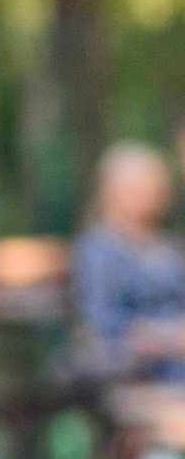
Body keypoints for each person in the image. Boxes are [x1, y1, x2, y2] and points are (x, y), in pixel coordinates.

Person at [68, 143, 185, 383]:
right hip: (140, 371)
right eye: (137, 188)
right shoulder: (99, 249)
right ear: (111, 191)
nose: (148, 196)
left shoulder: (169, 247)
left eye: (154, 188)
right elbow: (104, 325)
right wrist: (167, 339)